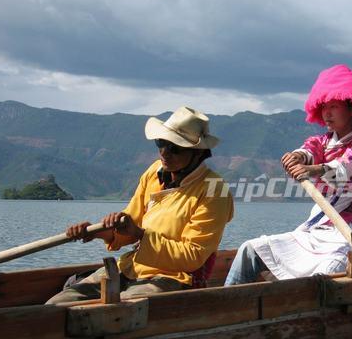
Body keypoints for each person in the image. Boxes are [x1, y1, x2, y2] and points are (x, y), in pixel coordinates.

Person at [46, 107, 234, 304]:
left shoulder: (215, 189)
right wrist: (97, 232)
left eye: (175, 148)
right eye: (161, 143)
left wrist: (138, 234)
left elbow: (193, 256)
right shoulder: (154, 171)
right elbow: (131, 222)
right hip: (130, 267)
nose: (164, 153)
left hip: (173, 278)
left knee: (120, 309)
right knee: (57, 304)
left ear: (198, 153)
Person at [225, 64, 352, 285]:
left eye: (333, 106)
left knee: (323, 277)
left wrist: (315, 169)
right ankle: (231, 304)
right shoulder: (322, 141)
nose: (327, 113)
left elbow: (349, 166)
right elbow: (308, 150)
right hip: (318, 228)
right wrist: (296, 157)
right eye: (323, 107)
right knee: (250, 250)